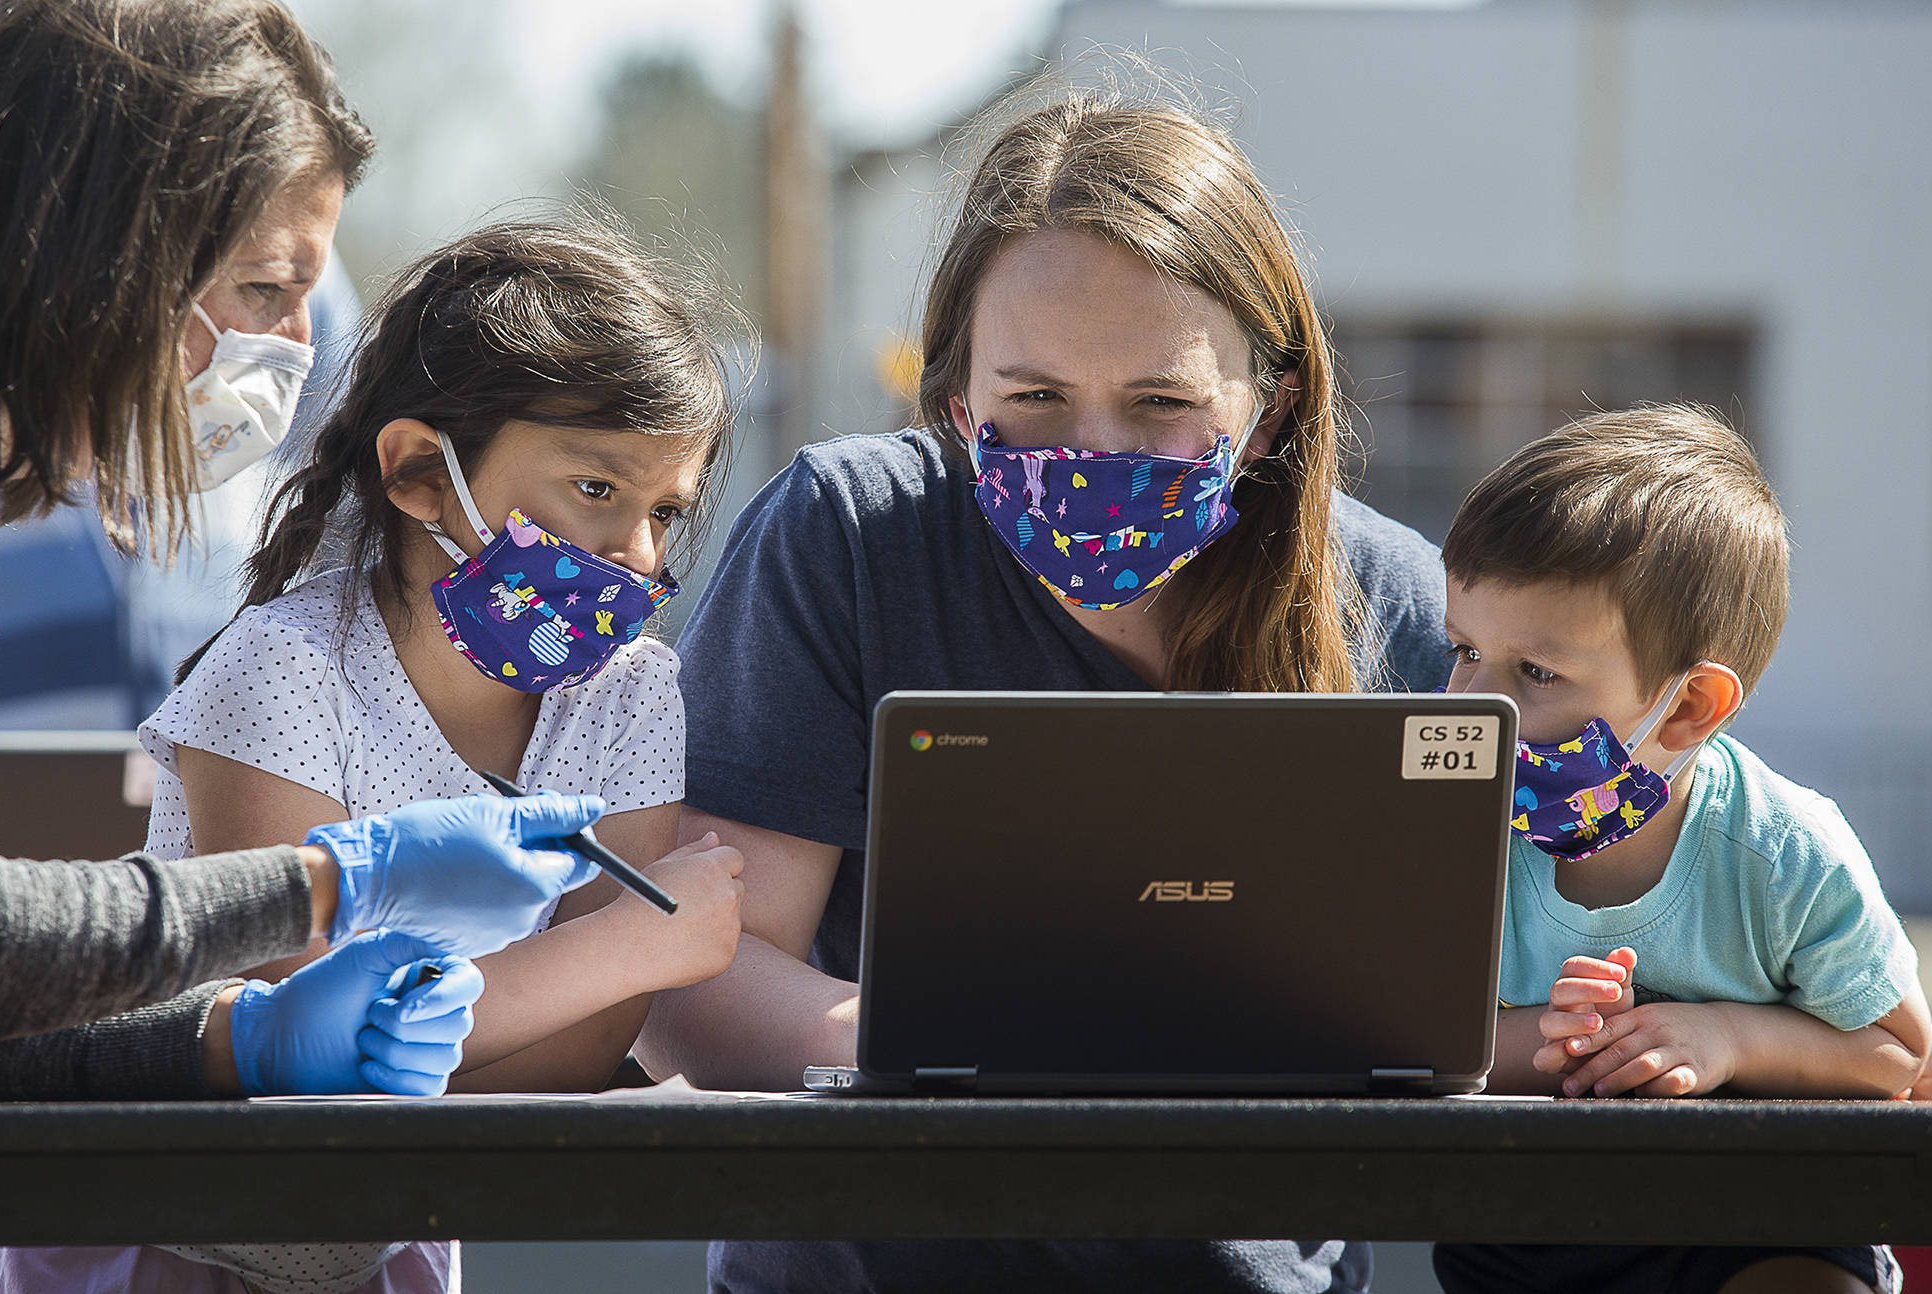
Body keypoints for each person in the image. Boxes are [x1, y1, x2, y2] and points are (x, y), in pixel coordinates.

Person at [638, 89, 1452, 1294]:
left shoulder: (1398, 601)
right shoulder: (847, 536)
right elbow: (694, 977)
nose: (1089, 451)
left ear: (1269, 405)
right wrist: (987, 1060)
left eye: (1161, 403)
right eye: (1033, 399)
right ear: (956, 393)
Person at [0, 217, 751, 1294]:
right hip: (159, 1240)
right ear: (420, 471)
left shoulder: (634, 696)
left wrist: (495, 1017)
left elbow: (567, 1063)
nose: (639, 556)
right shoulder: (276, 670)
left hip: (381, 1247)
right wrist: (644, 947)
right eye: (598, 491)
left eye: (665, 508)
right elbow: (313, 1054)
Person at [0, 0, 602, 1104]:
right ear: (111, 238)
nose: (292, 350)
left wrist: (231, 1040)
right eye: (263, 287)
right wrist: (329, 883)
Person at [1431, 405, 1930, 1294]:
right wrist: (1552, 1038)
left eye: (1536, 673)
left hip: (1764, 1217)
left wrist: (1727, 1035)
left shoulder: (1784, 850)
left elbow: (1898, 1052)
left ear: (1691, 706)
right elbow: (1408, 1046)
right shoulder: (1450, 828)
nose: (1477, 701)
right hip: (1530, 1225)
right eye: (1464, 650)